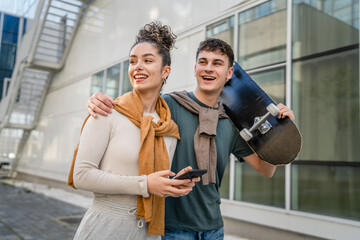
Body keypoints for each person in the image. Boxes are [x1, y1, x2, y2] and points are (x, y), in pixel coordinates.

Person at [87, 38, 295, 240]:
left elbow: (266, 170)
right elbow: (128, 105)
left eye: (217, 63)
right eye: (203, 62)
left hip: (213, 229)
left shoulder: (231, 122)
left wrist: (278, 134)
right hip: (170, 228)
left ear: (229, 73)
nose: (208, 68)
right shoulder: (168, 105)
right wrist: (98, 100)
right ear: (195, 68)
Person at [70, 22, 199, 240]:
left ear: (165, 71)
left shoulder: (168, 128)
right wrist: (145, 184)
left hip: (149, 232)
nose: (137, 66)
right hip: (105, 227)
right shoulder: (107, 112)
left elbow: (155, 181)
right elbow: (81, 176)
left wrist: (174, 184)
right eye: (132, 61)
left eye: (147, 60)